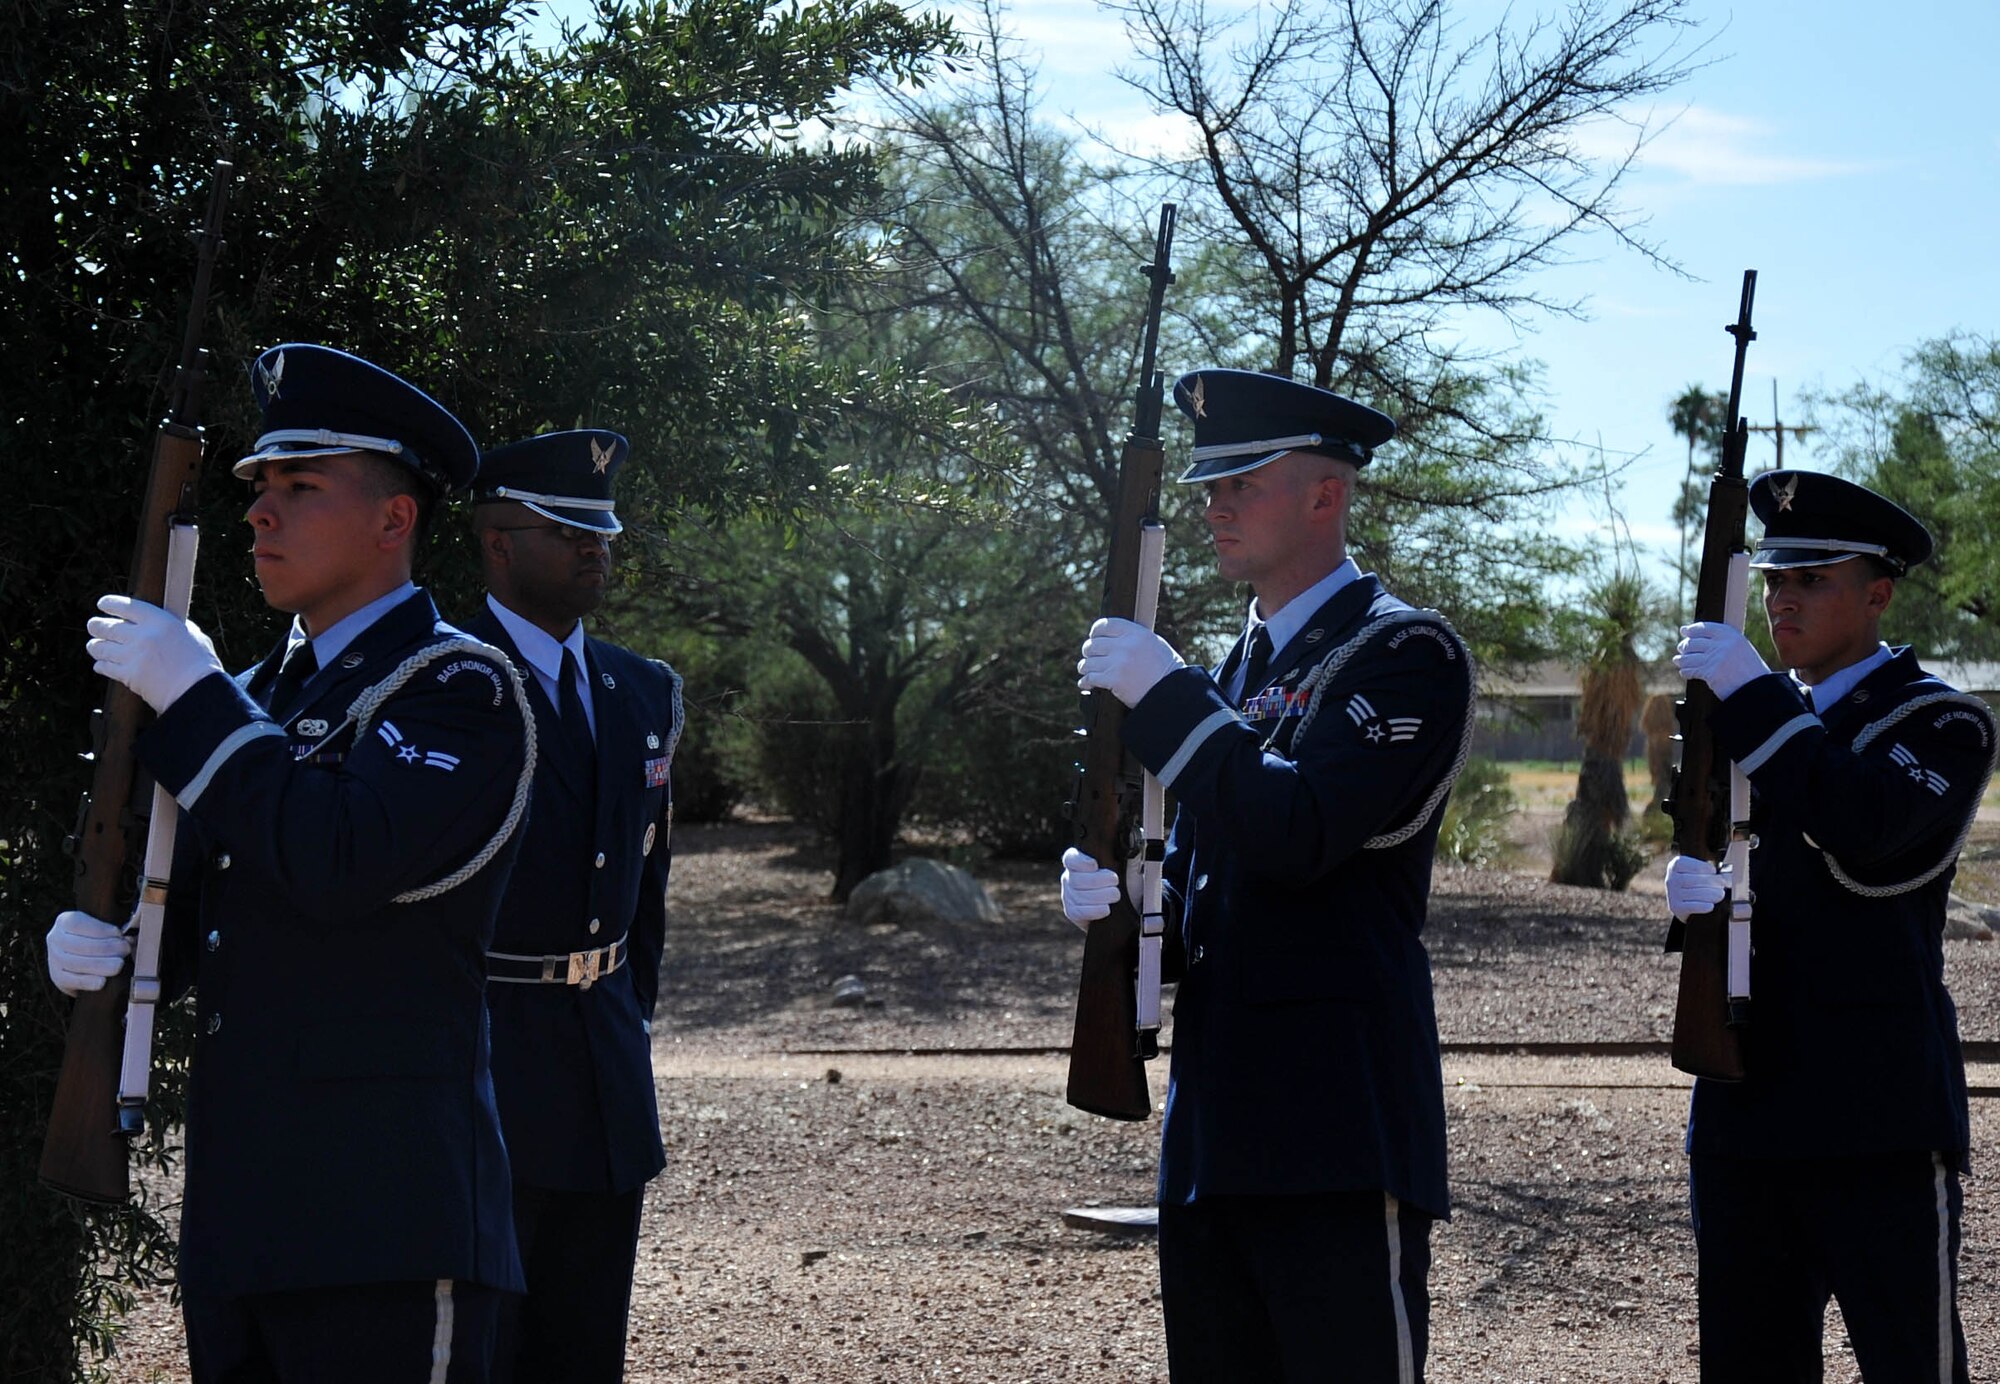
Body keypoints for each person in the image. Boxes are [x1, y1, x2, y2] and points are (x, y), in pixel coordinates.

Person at [46, 344, 534, 1380]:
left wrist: (198, 699)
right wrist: (121, 949)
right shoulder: (263, 695)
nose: (261, 512)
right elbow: (233, 910)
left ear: (394, 518)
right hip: (249, 1219)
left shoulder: (462, 688)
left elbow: (331, 858)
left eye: (301, 486)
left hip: (389, 1222)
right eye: (260, 488)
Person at [1061, 368, 1475, 1382]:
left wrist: (1164, 696)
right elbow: (1217, 862)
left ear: (1325, 496)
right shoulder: (1231, 671)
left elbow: (1298, 829)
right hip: (1217, 1134)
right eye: (1209, 484)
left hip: (1337, 1131)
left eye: (1243, 480)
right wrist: (1122, 898)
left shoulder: (1401, 652)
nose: (1214, 504)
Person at [1666, 470, 1989, 1383]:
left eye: (1812, 579)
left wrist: (1751, 696)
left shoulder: (1940, 722)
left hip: (1875, 1118)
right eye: (1775, 580)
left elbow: (1863, 826)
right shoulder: (1751, 720)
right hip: (1743, 1108)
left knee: (1909, 1365)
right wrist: (1697, 886)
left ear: (1878, 594)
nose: (1781, 599)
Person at [465, 430, 680, 1383]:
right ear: (498, 542)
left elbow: (649, 894)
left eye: (601, 530)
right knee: (483, 1351)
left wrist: (628, 1022)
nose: (593, 547)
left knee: (585, 1352)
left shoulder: (642, 690)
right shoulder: (450, 681)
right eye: (563, 529)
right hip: (484, 1064)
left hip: (602, 1070)